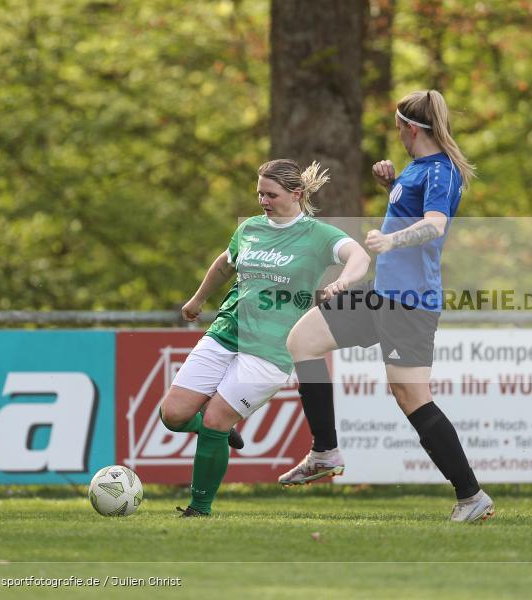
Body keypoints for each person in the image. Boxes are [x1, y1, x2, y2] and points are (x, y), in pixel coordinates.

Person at [284, 89, 494, 523]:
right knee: (302, 340)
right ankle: (325, 453)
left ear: (411, 128)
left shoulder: (442, 171)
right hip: (383, 295)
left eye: (397, 126)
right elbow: (416, 210)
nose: (395, 133)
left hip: (411, 303)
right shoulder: (417, 170)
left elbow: (434, 226)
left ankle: (471, 497)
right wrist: (393, 183)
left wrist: (391, 239)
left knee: (411, 397)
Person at [159, 159, 370, 517]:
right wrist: (198, 300)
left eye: (271, 194)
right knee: (173, 415)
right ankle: (223, 436)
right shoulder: (251, 229)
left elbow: (359, 255)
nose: (263, 200)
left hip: (272, 349)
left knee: (214, 420)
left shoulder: (317, 234)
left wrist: (344, 281)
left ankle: (199, 508)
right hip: (227, 331)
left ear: (296, 194)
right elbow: (225, 264)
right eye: (259, 193)